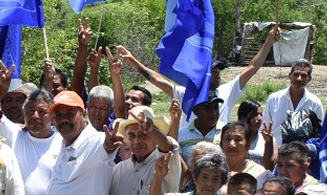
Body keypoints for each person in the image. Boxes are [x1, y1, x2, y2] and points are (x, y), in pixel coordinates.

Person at [118, 26, 281, 124]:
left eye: (219, 71)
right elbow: (157, 79)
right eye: (213, 71)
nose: (217, 74)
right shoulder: (186, 94)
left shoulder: (226, 92)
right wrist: (133, 62)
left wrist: (268, 43)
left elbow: (252, 68)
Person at [264, 59, 324, 145]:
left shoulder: (315, 103)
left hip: (303, 155)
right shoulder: (274, 99)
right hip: (277, 153)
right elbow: (264, 128)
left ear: (309, 79)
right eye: (296, 74)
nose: (299, 79)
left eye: (303, 76)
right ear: (290, 76)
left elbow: (319, 133)